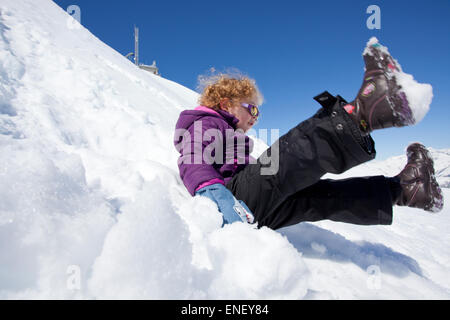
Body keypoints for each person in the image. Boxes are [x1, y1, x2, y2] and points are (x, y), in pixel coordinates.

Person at [173, 39, 444, 230]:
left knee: (316, 197)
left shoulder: (228, 133)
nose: (256, 117)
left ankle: (405, 189)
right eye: (251, 108)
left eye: (259, 112)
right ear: (224, 104)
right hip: (229, 202)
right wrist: (212, 194)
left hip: (245, 209)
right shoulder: (204, 123)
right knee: (282, 160)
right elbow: (193, 156)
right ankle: (366, 111)